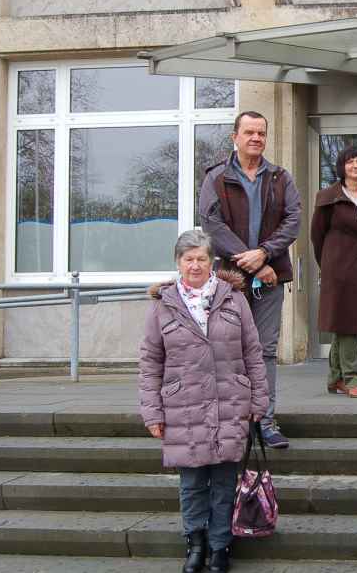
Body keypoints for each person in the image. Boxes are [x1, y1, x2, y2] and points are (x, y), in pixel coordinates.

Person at [139, 229, 269, 573]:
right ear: (178, 263)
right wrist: (152, 411)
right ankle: (195, 544)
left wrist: (259, 402)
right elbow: (150, 361)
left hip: (230, 403)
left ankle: (220, 546)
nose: (195, 265)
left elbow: (253, 353)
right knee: (192, 483)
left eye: (201, 258)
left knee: (225, 481)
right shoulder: (163, 305)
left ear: (211, 262)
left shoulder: (233, 298)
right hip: (183, 407)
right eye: (188, 259)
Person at [199, 110, 303, 449]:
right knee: (229, 349)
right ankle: (234, 421)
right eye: (249, 132)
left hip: (271, 280)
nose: (256, 138)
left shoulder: (280, 177)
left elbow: (293, 220)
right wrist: (256, 262)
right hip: (231, 279)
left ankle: (266, 421)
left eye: (261, 132)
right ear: (235, 136)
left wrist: (266, 252)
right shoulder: (215, 178)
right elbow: (211, 225)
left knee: (266, 350)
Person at [311, 145, 357, 399]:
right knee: (348, 324)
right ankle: (352, 378)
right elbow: (316, 235)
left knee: (344, 323)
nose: (356, 166)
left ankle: (335, 378)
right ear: (342, 167)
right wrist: (329, 263)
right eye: (350, 162)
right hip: (337, 267)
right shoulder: (327, 197)